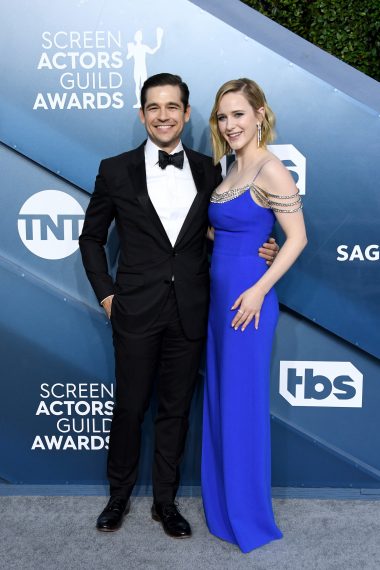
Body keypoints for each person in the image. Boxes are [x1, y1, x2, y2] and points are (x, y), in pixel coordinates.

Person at [79, 73, 279, 538]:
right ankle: (118, 496)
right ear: (142, 114)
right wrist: (107, 295)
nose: (163, 115)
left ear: (186, 114)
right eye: (154, 107)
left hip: (193, 308)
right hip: (134, 307)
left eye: (173, 107)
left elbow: (225, 225)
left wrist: (260, 250)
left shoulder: (212, 169)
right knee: (129, 407)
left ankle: (166, 502)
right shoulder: (114, 169)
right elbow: (91, 239)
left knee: (175, 410)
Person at [202, 78, 307, 553]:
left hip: (249, 304)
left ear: (260, 114)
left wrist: (259, 290)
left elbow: (297, 238)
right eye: (223, 117)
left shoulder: (271, 168)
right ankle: (225, 507)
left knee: (242, 404)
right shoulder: (228, 169)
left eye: (239, 114)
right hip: (220, 297)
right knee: (223, 399)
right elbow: (225, 230)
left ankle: (248, 515)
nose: (230, 124)